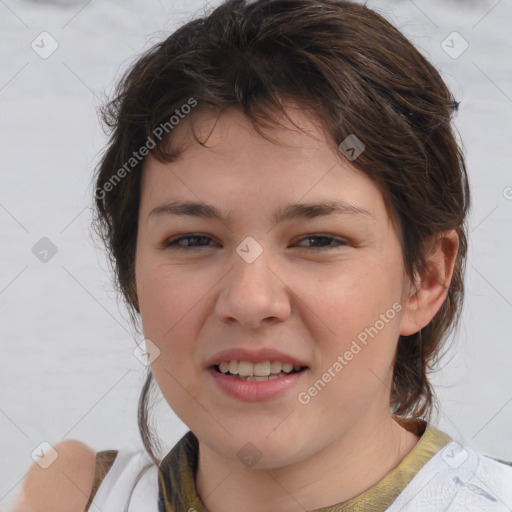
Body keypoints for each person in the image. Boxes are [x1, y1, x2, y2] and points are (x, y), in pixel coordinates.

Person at [15, 0, 512, 510]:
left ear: (425, 278)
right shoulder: (69, 495)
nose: (250, 301)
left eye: (318, 240)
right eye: (193, 240)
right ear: (132, 273)